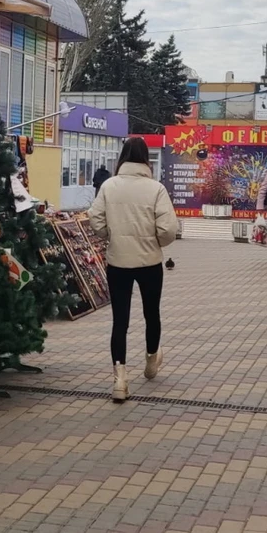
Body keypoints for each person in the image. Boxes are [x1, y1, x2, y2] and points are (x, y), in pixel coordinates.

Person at [89, 137, 177, 403]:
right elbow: (168, 229)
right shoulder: (156, 189)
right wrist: (156, 242)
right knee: (152, 313)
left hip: (118, 262)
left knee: (120, 321)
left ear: (123, 157)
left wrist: (109, 235)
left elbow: (95, 219)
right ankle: (151, 361)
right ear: (145, 159)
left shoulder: (109, 186)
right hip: (150, 262)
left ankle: (119, 379)